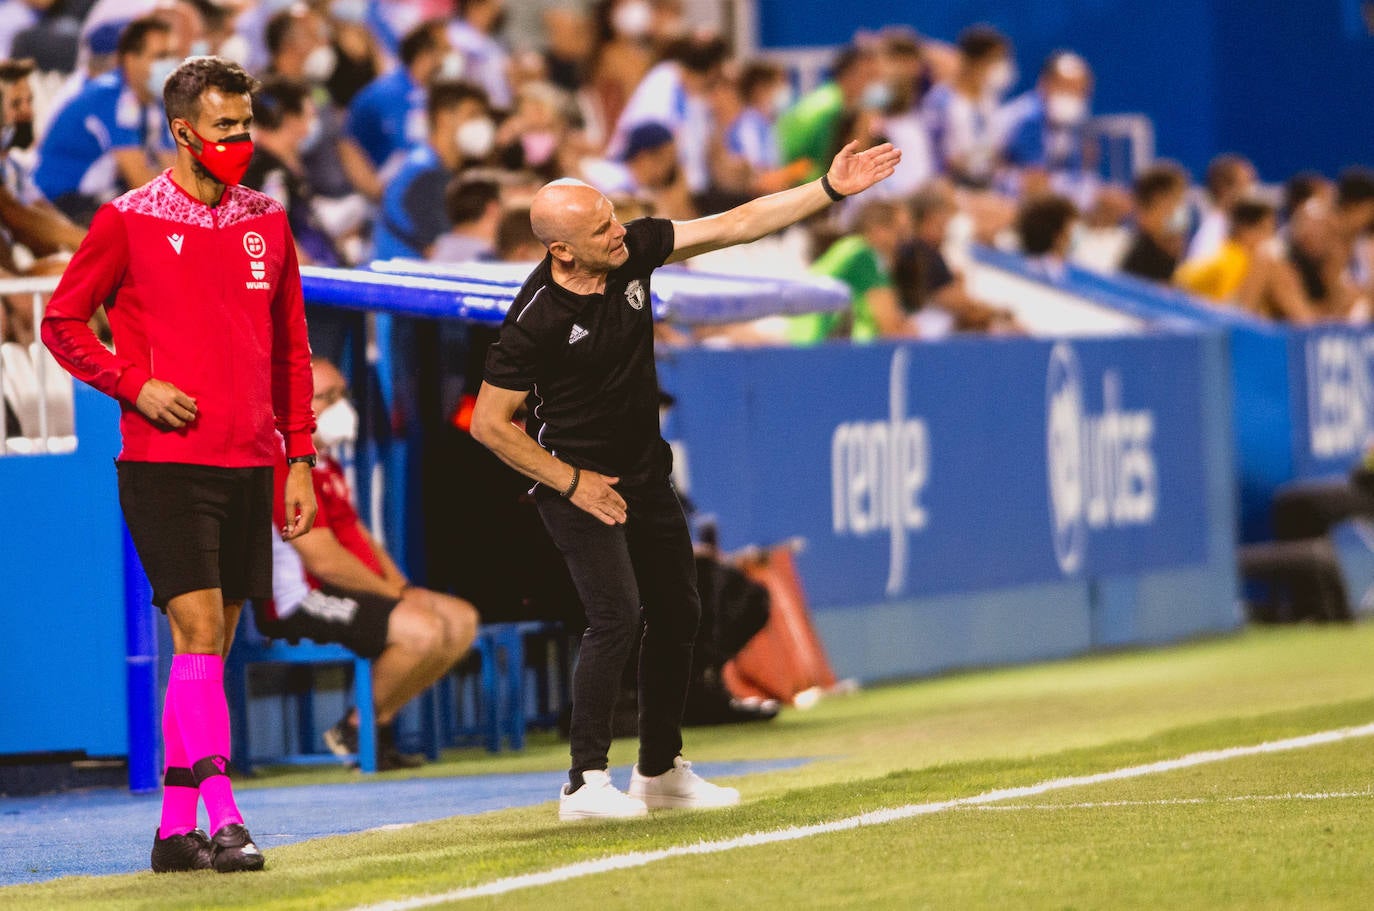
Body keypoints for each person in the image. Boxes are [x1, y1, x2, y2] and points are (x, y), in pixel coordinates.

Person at [470, 139, 900, 821]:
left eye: (614, 219)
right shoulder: (535, 321)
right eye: (601, 230)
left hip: (644, 471)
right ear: (561, 252)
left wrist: (830, 189)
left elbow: (736, 222)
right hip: (576, 480)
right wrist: (573, 481)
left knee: (680, 612)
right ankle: (584, 783)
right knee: (616, 617)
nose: (621, 233)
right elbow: (490, 424)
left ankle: (661, 770)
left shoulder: (633, 249)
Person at [40, 55, 317, 873]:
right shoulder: (125, 219)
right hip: (163, 462)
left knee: (211, 645)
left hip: (249, 461)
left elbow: (291, 350)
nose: (242, 139)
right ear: (183, 130)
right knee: (197, 631)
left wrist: (298, 456)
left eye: (247, 123)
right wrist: (134, 384)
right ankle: (227, 816)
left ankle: (172, 829)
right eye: (226, 126)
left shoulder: (268, 220)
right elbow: (63, 323)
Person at [258, 357, 479, 771]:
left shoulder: (327, 465)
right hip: (301, 599)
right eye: (327, 397)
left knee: (460, 620)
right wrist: (395, 598)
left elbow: (361, 539)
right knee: (423, 628)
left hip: (350, 592)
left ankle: (369, 724)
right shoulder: (282, 464)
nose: (340, 406)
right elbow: (323, 560)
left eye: (343, 395)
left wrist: (403, 588)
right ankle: (360, 730)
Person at [33, 15, 177, 223]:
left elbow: (173, 169)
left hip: (103, 194)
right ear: (130, 59)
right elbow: (139, 179)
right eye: (160, 56)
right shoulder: (110, 96)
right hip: (61, 202)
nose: (170, 64)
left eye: (172, 55)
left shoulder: (154, 100)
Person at [373, 78, 491, 261]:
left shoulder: (434, 166)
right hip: (402, 281)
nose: (482, 124)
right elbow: (439, 249)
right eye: (473, 115)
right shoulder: (425, 173)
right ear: (444, 118)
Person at [0, 57, 86, 270]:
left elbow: (44, 217)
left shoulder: (14, 169)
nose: (27, 112)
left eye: (29, 101)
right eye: (16, 104)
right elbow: (19, 218)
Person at [1119, 161, 1191, 284]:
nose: (1178, 206)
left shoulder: (1169, 247)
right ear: (1160, 198)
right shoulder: (1140, 256)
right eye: (1177, 198)